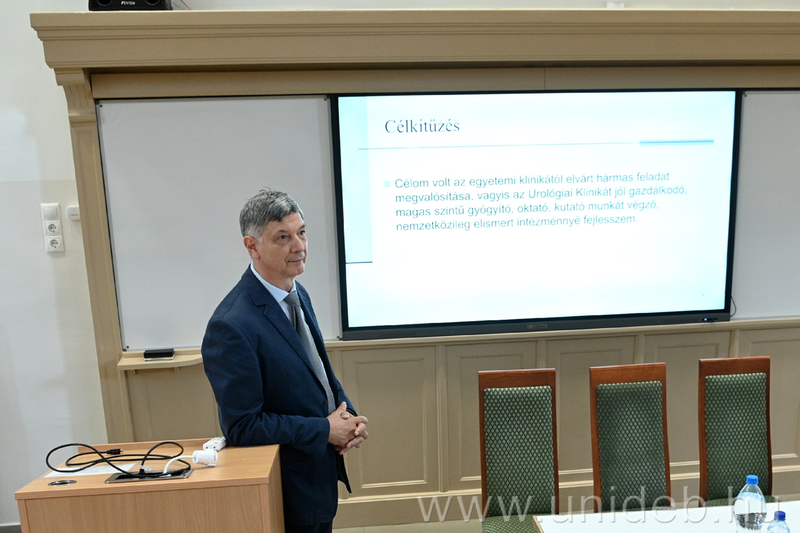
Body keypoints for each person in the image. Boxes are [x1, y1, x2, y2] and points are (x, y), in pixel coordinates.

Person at [202, 189, 368, 533]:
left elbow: (318, 372)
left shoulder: (297, 292)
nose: (299, 246)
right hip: (284, 492)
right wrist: (326, 429)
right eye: (283, 237)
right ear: (252, 246)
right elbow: (243, 426)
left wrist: (347, 415)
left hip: (318, 479)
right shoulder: (231, 325)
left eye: (301, 232)